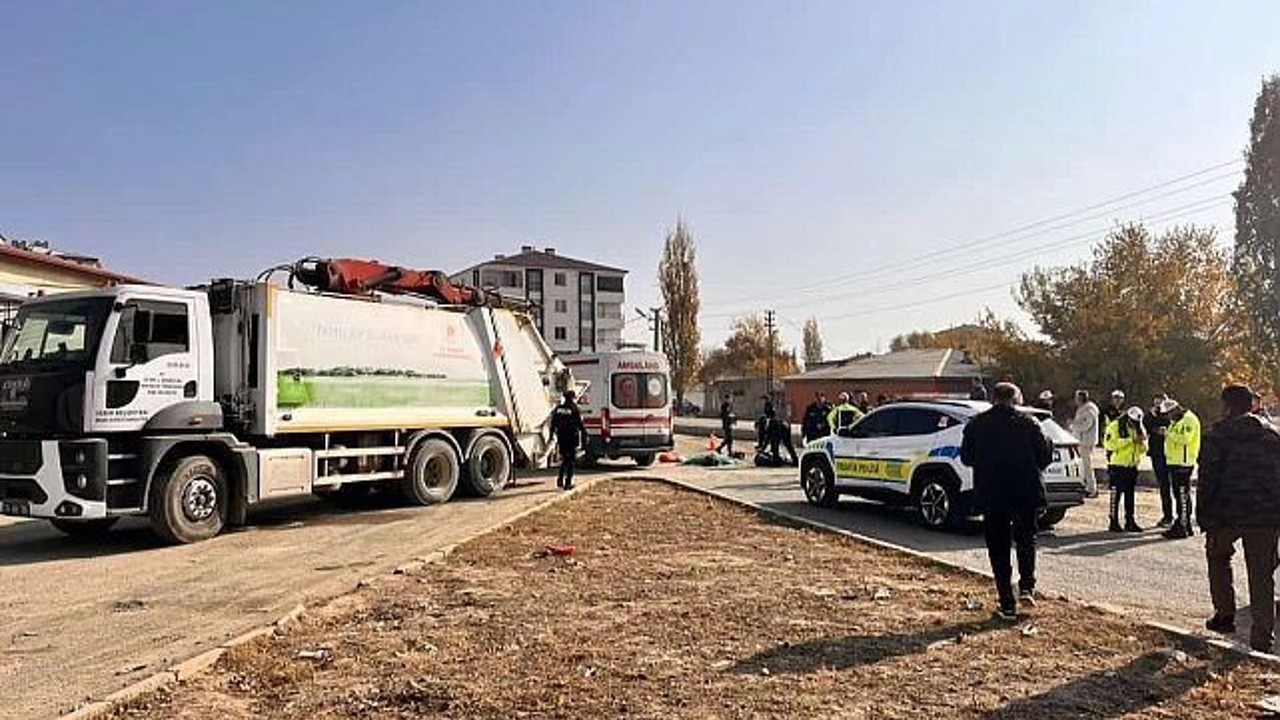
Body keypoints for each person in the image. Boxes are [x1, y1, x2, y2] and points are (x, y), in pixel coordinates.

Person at [961, 382, 1053, 621]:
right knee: (1026, 540)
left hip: (993, 493)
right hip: (1026, 492)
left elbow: (967, 458)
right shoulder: (1030, 423)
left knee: (998, 548)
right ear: (1016, 398)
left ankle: (1007, 603)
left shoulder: (976, 425)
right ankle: (1026, 586)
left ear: (993, 398)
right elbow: (1044, 457)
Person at [1198, 384, 1280, 653]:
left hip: (1226, 513)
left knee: (1218, 557)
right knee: (1262, 576)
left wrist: (1204, 516)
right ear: (1251, 406)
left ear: (1227, 406)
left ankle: (1224, 615)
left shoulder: (1217, 436)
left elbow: (1207, 480)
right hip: (1266, 515)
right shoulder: (1272, 436)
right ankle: (1263, 638)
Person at [1162, 398, 1202, 540]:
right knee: (1179, 494)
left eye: (1169, 413)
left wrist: (1168, 434)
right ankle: (1184, 524)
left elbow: (1185, 439)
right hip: (1175, 461)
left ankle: (1182, 525)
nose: (1168, 416)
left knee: (1182, 495)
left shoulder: (1188, 420)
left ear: (1176, 409)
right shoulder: (1178, 420)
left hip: (1183, 463)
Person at [1104, 406, 1148, 533]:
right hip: (1117, 465)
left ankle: (1130, 521)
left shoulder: (1138, 427)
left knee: (1130, 495)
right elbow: (1110, 444)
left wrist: (1141, 443)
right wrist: (1130, 440)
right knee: (1116, 495)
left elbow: (1143, 449)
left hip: (1132, 465)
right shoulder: (1115, 426)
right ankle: (1113, 521)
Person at [1145, 394, 1174, 527]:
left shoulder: (1172, 415)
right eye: (1156, 404)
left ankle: (1182, 517)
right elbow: (1146, 426)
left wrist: (1160, 417)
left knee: (1177, 487)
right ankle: (1167, 516)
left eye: (1160, 404)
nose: (1158, 407)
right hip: (1157, 454)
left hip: (1173, 455)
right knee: (1164, 486)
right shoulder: (1151, 415)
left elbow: (1167, 424)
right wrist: (1152, 415)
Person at [550, 390, 588, 491]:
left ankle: (560, 480)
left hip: (561, 437)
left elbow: (553, 423)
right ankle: (568, 483)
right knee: (570, 461)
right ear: (572, 398)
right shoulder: (574, 408)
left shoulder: (559, 409)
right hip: (571, 437)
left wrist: (551, 436)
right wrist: (585, 435)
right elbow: (580, 424)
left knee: (564, 459)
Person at [1070, 390, 1101, 498]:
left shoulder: (1089, 410)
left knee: (1087, 466)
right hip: (1081, 441)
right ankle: (1086, 487)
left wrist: (1073, 426)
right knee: (1083, 466)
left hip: (1086, 442)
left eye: (1077, 398)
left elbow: (1086, 425)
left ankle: (1092, 489)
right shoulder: (1083, 409)